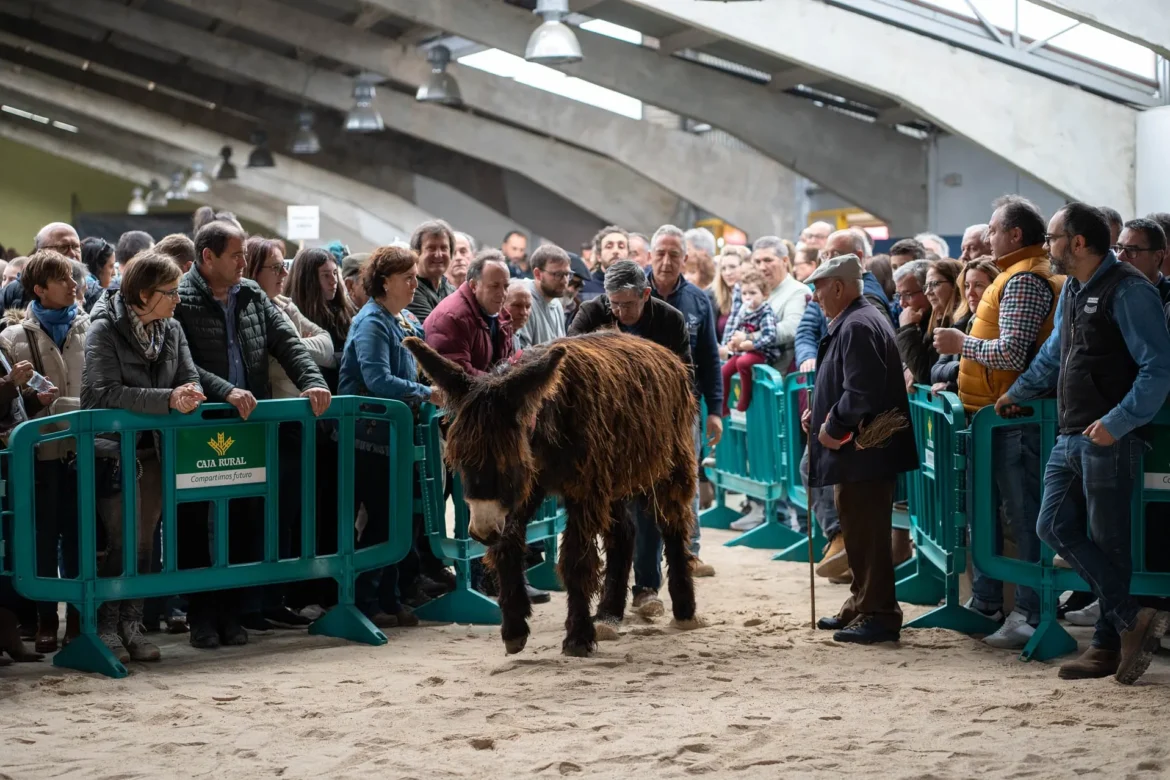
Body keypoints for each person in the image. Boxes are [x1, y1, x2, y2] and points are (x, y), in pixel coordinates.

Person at [996, 203, 1170, 683]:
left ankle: (1106, 646)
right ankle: (1132, 620)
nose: (1046, 246)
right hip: (1072, 433)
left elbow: (1158, 368)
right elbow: (1055, 353)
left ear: (1076, 243)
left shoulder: (1131, 291)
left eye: (1051, 238)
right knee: (1050, 525)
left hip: (1108, 436)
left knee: (1109, 542)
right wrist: (1019, 389)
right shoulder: (1074, 287)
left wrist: (1120, 420)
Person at [175, 221, 331, 650]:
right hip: (199, 429)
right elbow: (181, 361)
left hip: (248, 426)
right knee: (195, 521)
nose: (245, 263)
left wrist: (312, 381)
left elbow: (287, 341)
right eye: (236, 255)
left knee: (243, 517)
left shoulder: (251, 293)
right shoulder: (181, 298)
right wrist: (225, 391)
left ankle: (233, 611)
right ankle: (201, 616)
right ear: (207, 258)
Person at [932, 194, 1063, 649]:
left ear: (1015, 235)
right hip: (994, 415)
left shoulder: (1026, 280)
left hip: (1016, 419)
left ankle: (1028, 611)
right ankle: (988, 602)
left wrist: (960, 344)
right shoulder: (1012, 275)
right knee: (993, 513)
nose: (987, 236)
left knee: (1023, 516)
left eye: (992, 228)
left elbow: (1012, 352)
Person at [82, 249, 205, 663]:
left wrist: (188, 392)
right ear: (142, 294)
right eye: (170, 291)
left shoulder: (170, 328)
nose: (177, 299)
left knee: (145, 544)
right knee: (120, 543)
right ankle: (106, 628)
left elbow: (189, 374)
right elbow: (102, 394)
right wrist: (168, 398)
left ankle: (132, 626)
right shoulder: (102, 329)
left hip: (154, 451)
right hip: (113, 453)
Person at [802, 253, 918, 643]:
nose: (816, 296)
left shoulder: (857, 324)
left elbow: (861, 392)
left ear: (838, 286)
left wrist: (832, 426)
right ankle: (861, 604)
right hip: (861, 454)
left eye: (819, 287)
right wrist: (820, 414)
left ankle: (880, 614)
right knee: (857, 529)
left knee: (867, 533)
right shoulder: (858, 320)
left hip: (864, 453)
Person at [568, 260, 690, 617]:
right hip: (602, 430)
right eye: (614, 304)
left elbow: (683, 377)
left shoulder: (669, 320)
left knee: (653, 504)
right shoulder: (591, 314)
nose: (620, 311)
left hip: (654, 426)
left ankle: (647, 587)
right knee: (609, 512)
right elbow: (568, 366)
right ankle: (606, 591)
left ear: (646, 294)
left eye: (628, 305)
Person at [340, 245, 443, 629]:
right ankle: (367, 601)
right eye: (408, 278)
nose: (415, 285)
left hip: (396, 436)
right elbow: (377, 380)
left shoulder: (401, 321)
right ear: (385, 283)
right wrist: (424, 393)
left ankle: (391, 595)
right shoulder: (372, 322)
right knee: (382, 520)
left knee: (402, 521)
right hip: (369, 438)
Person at [0, 250, 89, 653]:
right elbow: (12, 407)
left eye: (74, 277)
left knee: (81, 535)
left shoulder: (90, 327)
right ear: (39, 289)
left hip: (86, 447)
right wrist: (16, 387)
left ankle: (76, 618)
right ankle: (44, 619)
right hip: (39, 452)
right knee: (42, 535)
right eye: (63, 279)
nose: (74, 285)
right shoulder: (13, 337)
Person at [646, 225, 722, 579]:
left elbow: (709, 358)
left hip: (684, 408)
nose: (666, 261)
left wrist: (716, 411)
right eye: (660, 253)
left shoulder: (698, 299)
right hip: (638, 411)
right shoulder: (631, 294)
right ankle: (644, 559)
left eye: (674, 254)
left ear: (685, 259)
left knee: (685, 477)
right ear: (649, 256)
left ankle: (689, 551)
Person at [423, 249, 515, 377]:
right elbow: (459, 378)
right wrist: (501, 383)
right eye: (494, 286)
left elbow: (508, 364)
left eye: (506, 286)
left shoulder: (502, 315)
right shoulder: (452, 317)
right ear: (473, 286)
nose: (502, 293)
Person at [285, 247, 354, 392]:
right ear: (308, 279)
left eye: (335, 273)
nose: (333, 281)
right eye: (325, 275)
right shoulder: (292, 314)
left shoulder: (345, 313)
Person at [930, 258, 1000, 395]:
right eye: (967, 286)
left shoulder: (1000, 326)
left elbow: (991, 378)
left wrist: (952, 385)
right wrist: (960, 372)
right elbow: (935, 371)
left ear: (994, 288)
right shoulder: (962, 322)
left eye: (978, 285)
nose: (970, 293)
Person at [719, 270, 780, 417]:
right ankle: (723, 406)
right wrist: (732, 343)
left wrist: (753, 345)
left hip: (763, 352)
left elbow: (770, 335)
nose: (748, 297)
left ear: (764, 294)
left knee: (742, 363)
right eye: (745, 293)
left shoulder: (766, 311)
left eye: (752, 293)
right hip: (744, 350)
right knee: (724, 371)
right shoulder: (743, 310)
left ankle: (745, 398)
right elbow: (736, 328)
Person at [751, 236, 809, 372]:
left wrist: (750, 338)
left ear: (785, 261)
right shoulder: (753, 291)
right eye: (757, 261)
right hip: (755, 376)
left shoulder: (798, 291)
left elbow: (791, 328)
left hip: (781, 379)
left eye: (768, 260)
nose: (762, 267)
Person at [519, 244, 569, 347]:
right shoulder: (523, 303)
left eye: (567, 274)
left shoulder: (556, 303)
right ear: (537, 274)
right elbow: (522, 356)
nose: (565, 281)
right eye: (558, 274)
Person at [407, 220, 457, 322]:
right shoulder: (410, 290)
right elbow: (435, 329)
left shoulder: (450, 289)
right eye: (431, 248)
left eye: (444, 248)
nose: (438, 254)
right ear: (416, 253)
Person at [1113, 218, 1168, 303]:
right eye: (1119, 248)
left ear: (1157, 257)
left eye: (1131, 250)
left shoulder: (1166, 298)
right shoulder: (1110, 293)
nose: (1120, 257)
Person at [708, 246, 746, 342]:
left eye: (732, 267)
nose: (727, 273)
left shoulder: (753, 294)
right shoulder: (712, 296)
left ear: (743, 267)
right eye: (723, 268)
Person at [505, 281, 534, 351]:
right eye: (517, 305)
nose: (524, 312)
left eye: (528, 306)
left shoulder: (518, 336)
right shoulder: (494, 337)